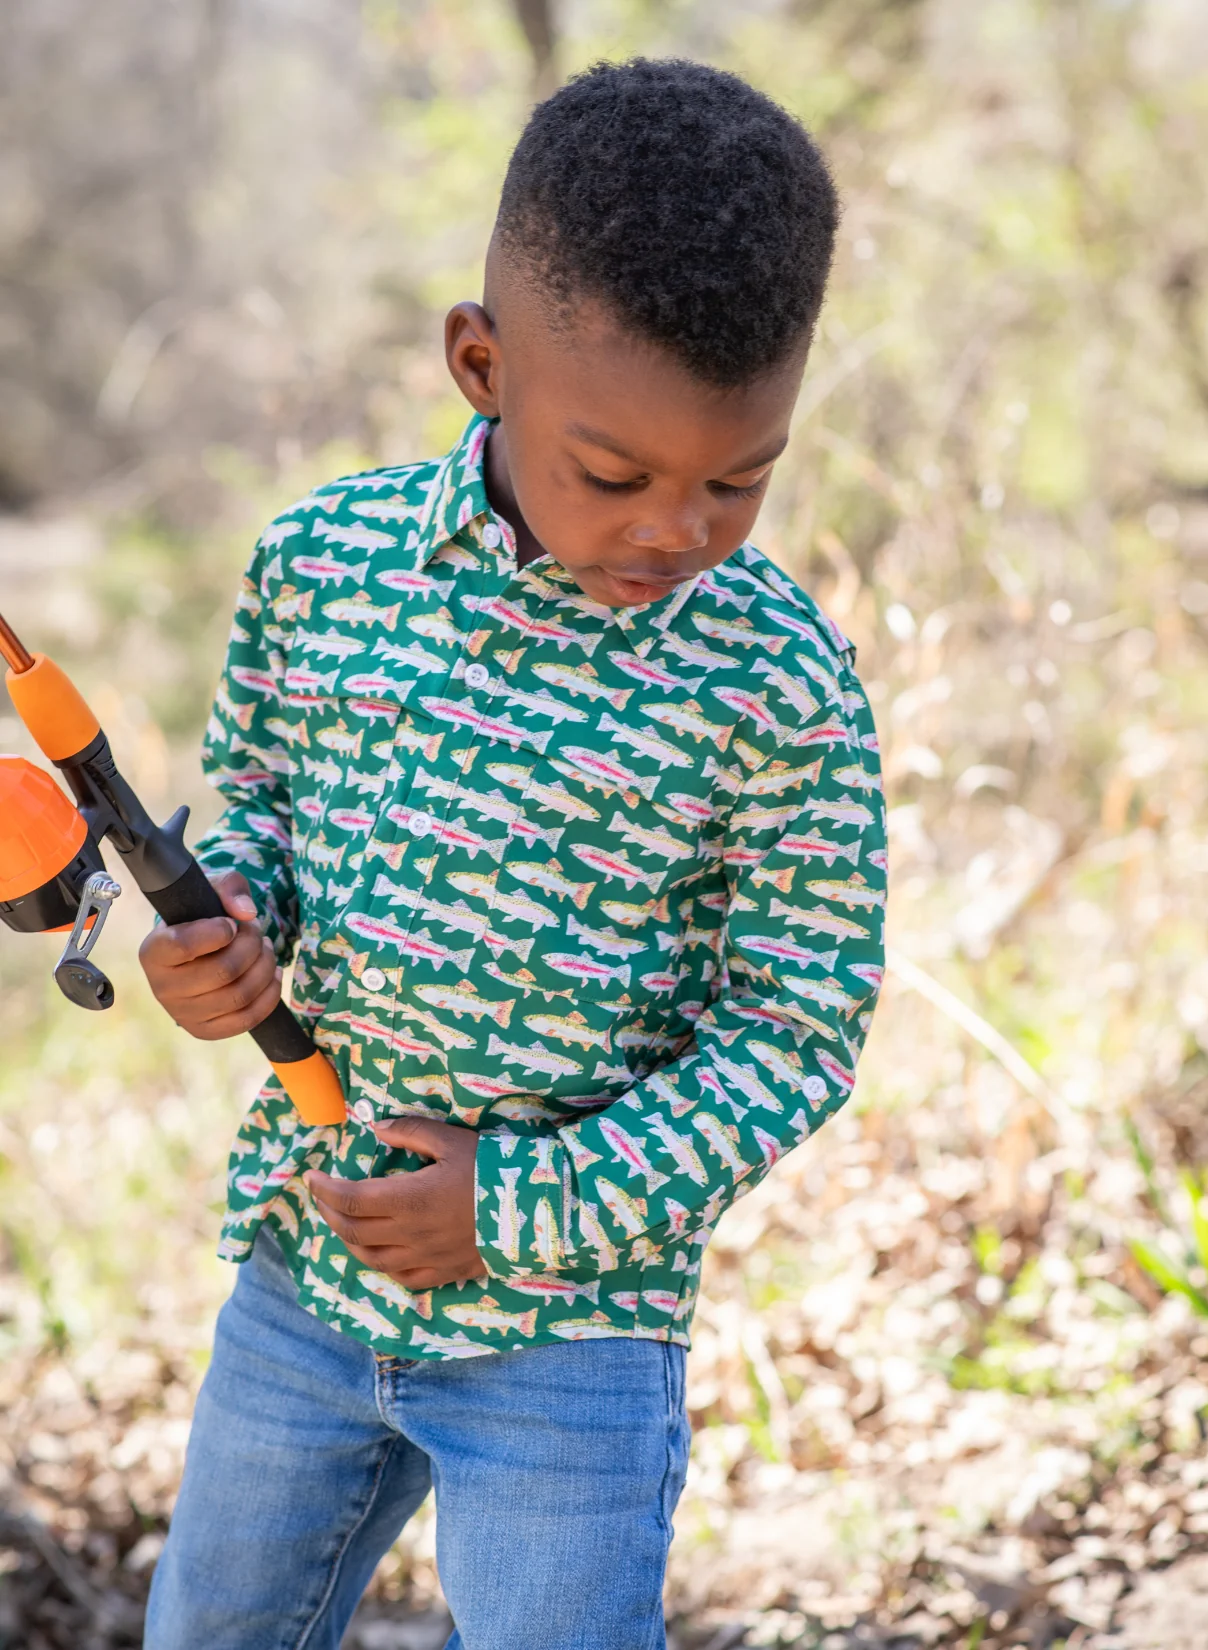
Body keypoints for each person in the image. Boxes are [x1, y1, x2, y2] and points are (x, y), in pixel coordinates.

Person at [138, 56, 886, 1650]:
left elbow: (797, 1030)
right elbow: (260, 798)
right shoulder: (325, 564)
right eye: (614, 474)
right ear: (482, 362)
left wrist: (525, 1206)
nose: (673, 530)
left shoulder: (780, 686)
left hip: (576, 1337)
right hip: (310, 1269)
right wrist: (231, 929)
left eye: (738, 479)